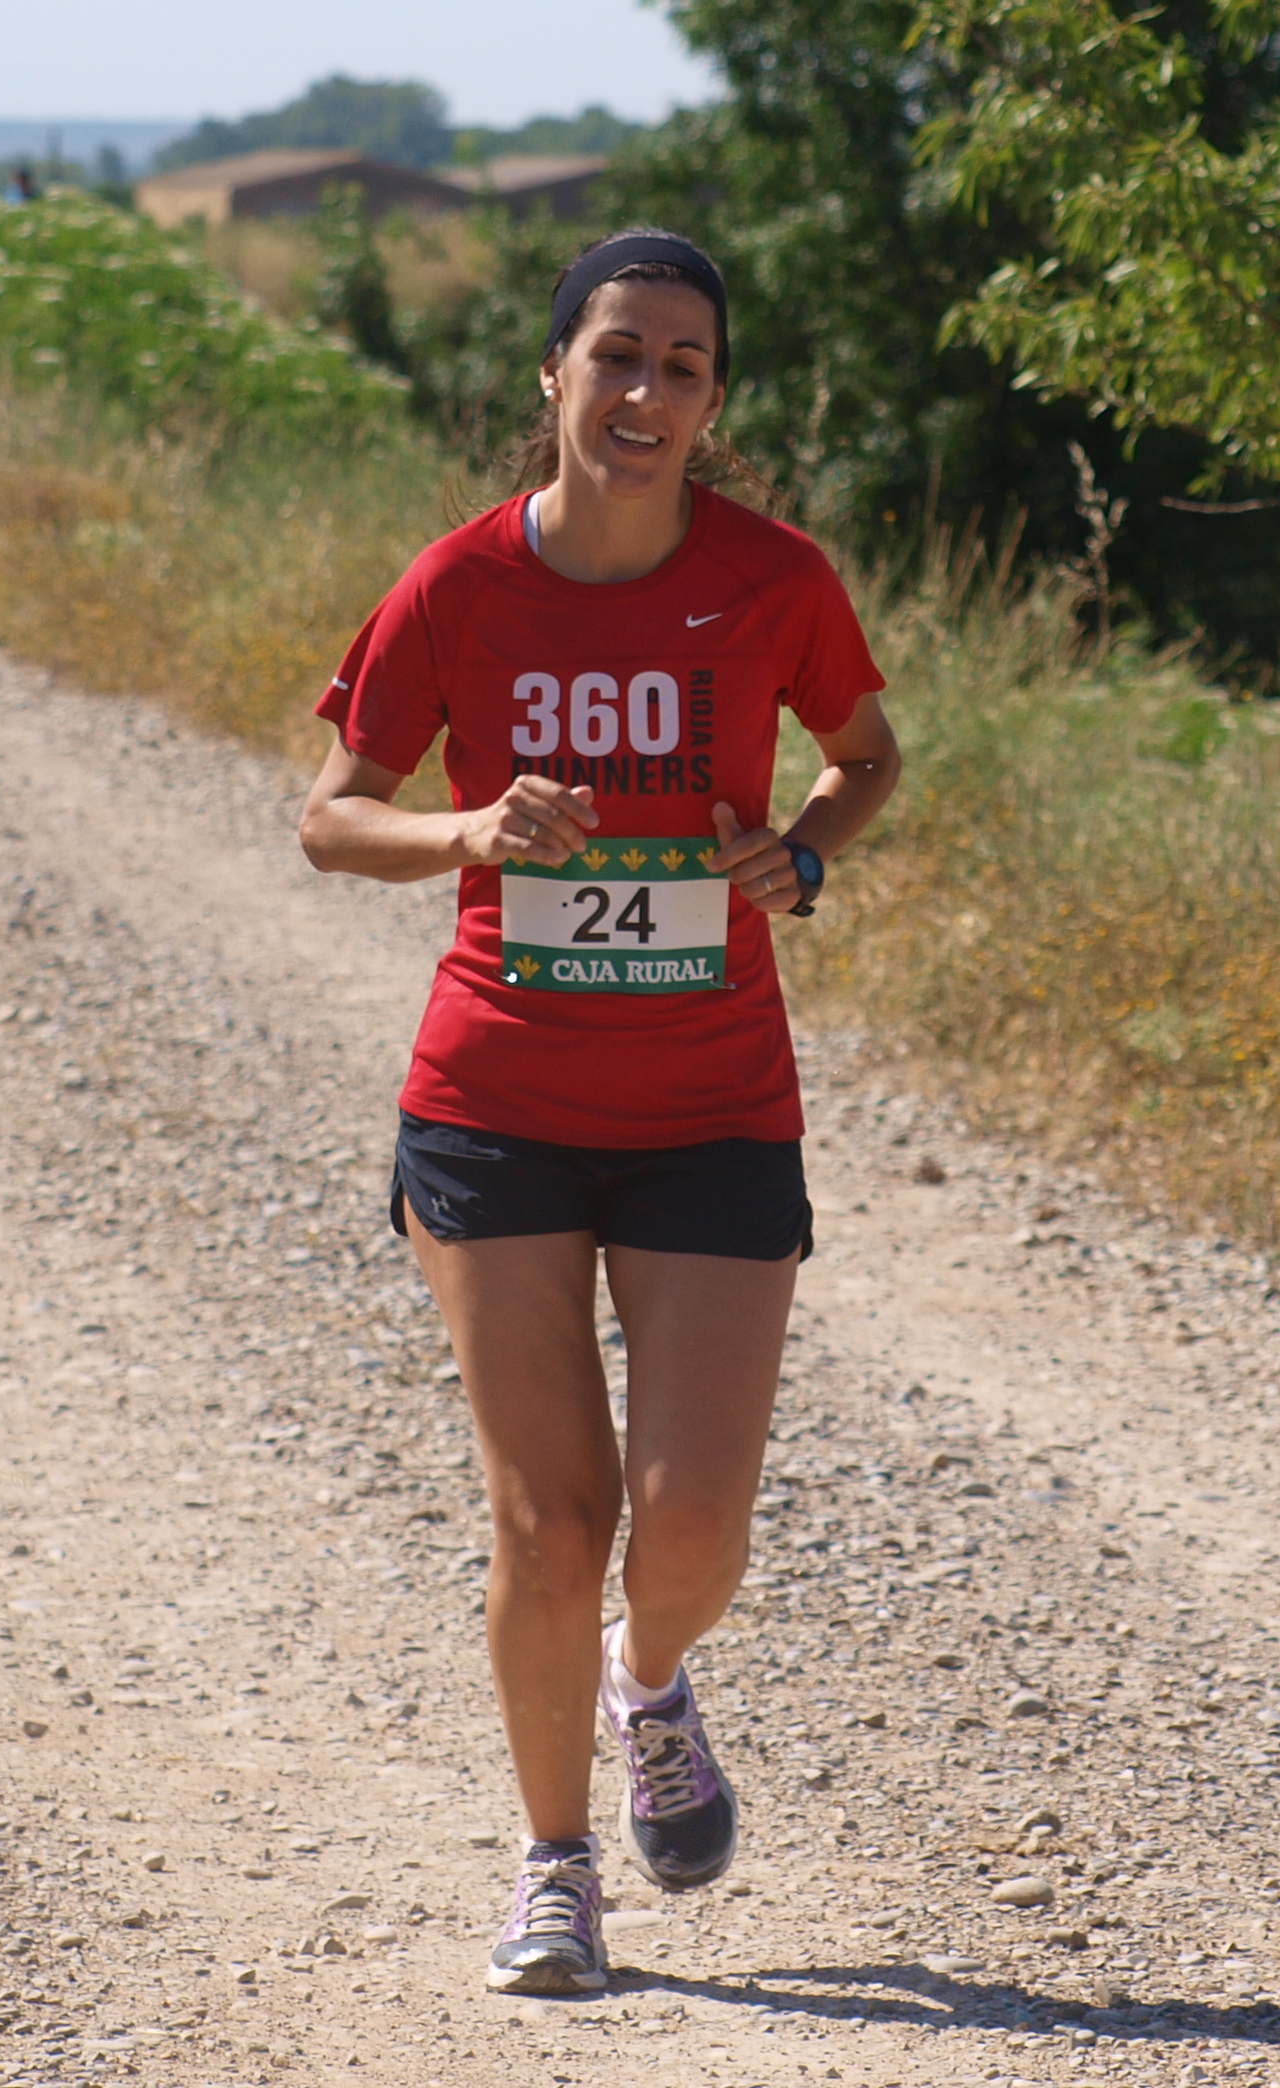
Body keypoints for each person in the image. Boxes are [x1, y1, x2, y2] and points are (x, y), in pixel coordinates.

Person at [298, 227, 903, 1996]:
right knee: (553, 1524)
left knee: (690, 1526)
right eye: (618, 355)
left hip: (714, 1102)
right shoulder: (459, 587)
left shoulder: (776, 580)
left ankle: (649, 1685)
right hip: (498, 1099)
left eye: (683, 366)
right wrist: (469, 830)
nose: (646, 392)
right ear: (553, 374)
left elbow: (867, 757)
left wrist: (800, 854)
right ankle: (555, 1865)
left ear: (714, 402)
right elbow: (332, 815)